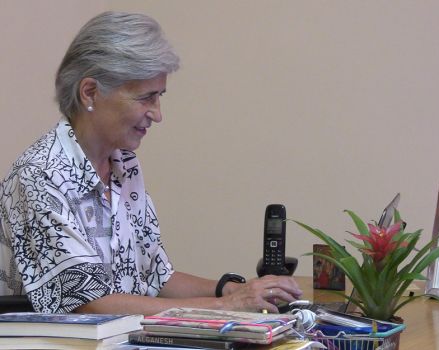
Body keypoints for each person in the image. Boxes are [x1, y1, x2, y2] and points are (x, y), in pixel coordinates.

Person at [0, 11, 302, 315]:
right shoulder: (40, 175)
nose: (158, 114)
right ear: (90, 92)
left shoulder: (124, 163)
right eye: (146, 98)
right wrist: (225, 306)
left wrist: (233, 288)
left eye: (159, 97)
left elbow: (155, 275)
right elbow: (89, 304)